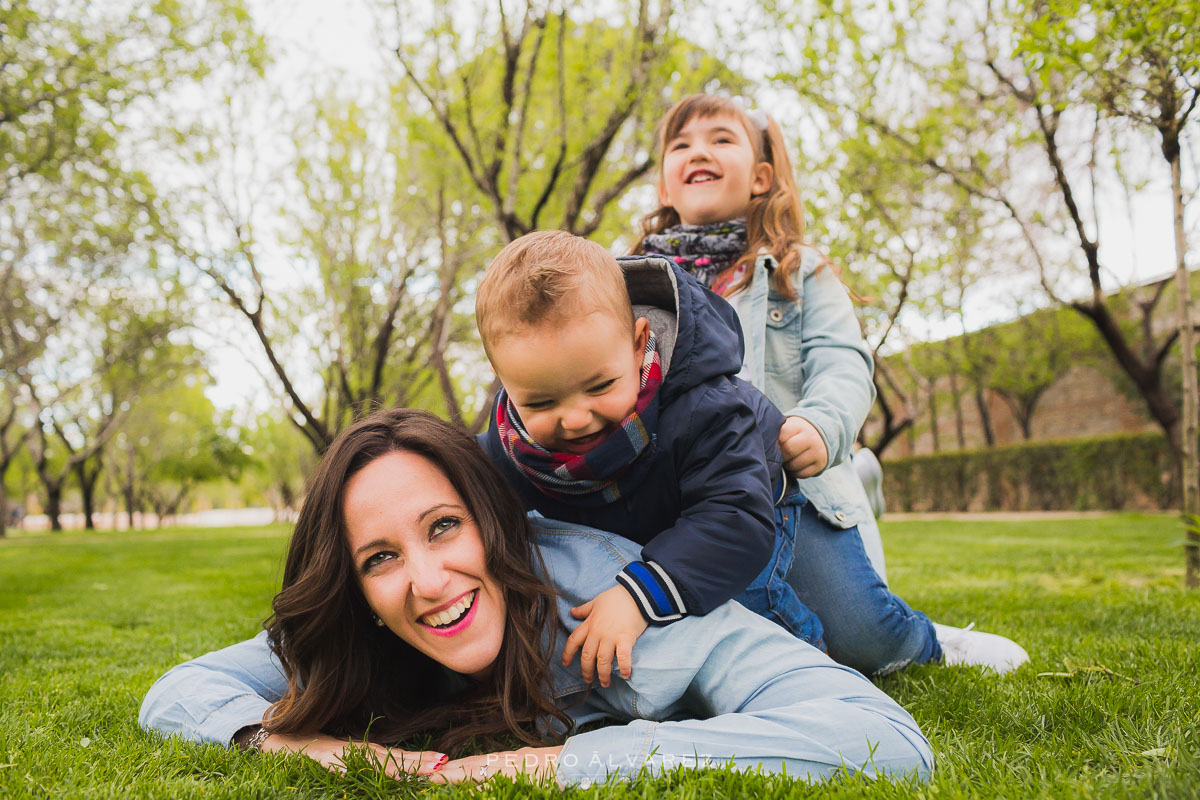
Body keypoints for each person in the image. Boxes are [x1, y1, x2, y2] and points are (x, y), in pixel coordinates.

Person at [139, 408, 933, 787]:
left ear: (493, 519)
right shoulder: (361, 631)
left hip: (767, 555)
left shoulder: (606, 602)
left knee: (861, 628)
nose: (426, 581)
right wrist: (311, 747)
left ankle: (857, 481)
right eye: (381, 557)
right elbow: (178, 694)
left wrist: (558, 763)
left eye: (443, 527)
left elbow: (884, 739)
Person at [633, 93, 1029, 675]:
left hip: (791, 487)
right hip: (689, 499)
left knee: (863, 641)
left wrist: (820, 425)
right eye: (681, 144)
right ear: (665, 185)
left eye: (721, 139)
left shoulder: (796, 271)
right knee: (732, 644)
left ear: (761, 177)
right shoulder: (633, 284)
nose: (700, 152)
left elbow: (844, 364)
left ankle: (927, 637)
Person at [475, 230, 824, 687]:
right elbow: (466, 498)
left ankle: (814, 656)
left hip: (748, 505)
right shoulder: (506, 446)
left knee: (746, 602)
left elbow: (735, 519)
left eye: (599, 387)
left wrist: (639, 596)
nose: (576, 419)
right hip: (650, 518)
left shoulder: (706, 408)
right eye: (541, 403)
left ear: (639, 343)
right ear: (503, 379)